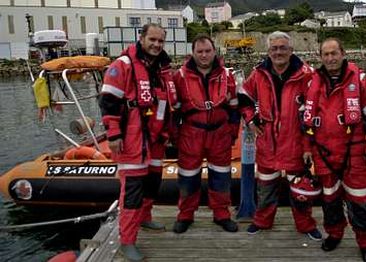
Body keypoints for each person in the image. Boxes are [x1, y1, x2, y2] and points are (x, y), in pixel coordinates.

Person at [98, 23, 177, 261]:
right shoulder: (123, 65)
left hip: (155, 137)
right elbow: (109, 100)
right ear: (141, 38)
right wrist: (113, 134)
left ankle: (145, 218)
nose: (156, 45)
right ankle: (127, 241)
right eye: (152, 39)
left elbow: (167, 102)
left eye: (160, 41)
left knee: (153, 181)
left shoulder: (162, 67)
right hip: (132, 138)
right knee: (132, 191)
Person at [303, 37, 366, 262]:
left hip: (354, 154)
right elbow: (306, 122)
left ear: (342, 53)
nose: (330, 58)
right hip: (324, 154)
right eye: (325, 54)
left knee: (360, 201)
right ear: (320, 57)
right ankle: (334, 233)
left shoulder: (359, 80)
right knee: (329, 201)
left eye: (334, 53)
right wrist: (307, 148)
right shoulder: (313, 83)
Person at [238, 31, 322, 240]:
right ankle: (262, 221)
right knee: (265, 188)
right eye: (274, 48)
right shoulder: (259, 74)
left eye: (283, 48)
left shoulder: (307, 75)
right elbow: (244, 95)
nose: (278, 52)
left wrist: (308, 147)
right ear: (268, 51)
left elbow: (315, 111)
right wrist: (250, 119)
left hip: (296, 143)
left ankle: (305, 225)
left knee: (300, 189)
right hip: (268, 143)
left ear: (291, 50)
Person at [172, 34, 240, 233]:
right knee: (188, 177)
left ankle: (221, 214)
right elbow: (174, 110)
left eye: (208, 51)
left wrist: (233, 132)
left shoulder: (227, 75)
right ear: (192, 53)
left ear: (214, 51)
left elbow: (234, 105)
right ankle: (185, 215)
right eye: (199, 51)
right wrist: (175, 136)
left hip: (219, 133)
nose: (204, 55)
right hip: (191, 133)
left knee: (221, 176)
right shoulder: (180, 76)